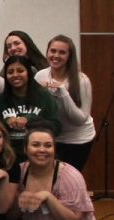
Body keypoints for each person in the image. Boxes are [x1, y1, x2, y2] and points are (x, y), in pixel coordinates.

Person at [35, 35, 95, 170]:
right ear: (47, 52)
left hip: (78, 140)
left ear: (69, 56)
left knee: (68, 180)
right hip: (53, 138)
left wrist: (62, 92)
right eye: (53, 51)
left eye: (62, 52)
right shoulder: (40, 76)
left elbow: (80, 119)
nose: (56, 55)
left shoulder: (82, 81)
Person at [0, 56, 61, 160]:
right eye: (10, 72)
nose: (15, 75)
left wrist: (30, 119)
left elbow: (56, 127)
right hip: (7, 156)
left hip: (38, 155)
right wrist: (5, 122)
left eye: (20, 71)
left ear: (28, 72)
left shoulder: (44, 96)